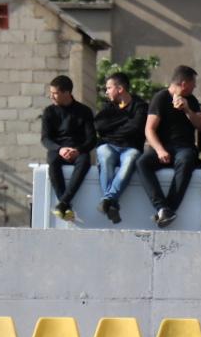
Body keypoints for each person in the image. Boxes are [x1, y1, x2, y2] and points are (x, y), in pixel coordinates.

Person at [142, 64, 201, 227]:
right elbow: (149, 129)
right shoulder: (161, 98)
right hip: (163, 146)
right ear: (184, 83)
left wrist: (187, 110)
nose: (195, 87)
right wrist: (159, 150)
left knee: (185, 161)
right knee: (142, 163)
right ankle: (161, 207)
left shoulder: (191, 100)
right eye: (193, 84)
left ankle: (169, 209)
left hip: (184, 147)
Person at [92, 72, 147, 224]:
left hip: (131, 148)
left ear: (120, 88)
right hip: (108, 145)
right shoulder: (108, 106)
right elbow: (99, 126)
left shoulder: (140, 106)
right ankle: (111, 203)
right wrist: (124, 120)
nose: (107, 92)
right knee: (105, 156)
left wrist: (112, 130)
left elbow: (136, 128)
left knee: (130, 159)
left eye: (109, 88)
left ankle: (108, 200)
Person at [40, 74, 97, 222]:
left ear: (67, 93)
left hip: (78, 150)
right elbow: (45, 138)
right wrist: (60, 149)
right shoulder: (49, 112)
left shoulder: (84, 111)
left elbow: (91, 139)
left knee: (84, 162)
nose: (51, 96)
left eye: (55, 93)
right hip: (58, 149)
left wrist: (78, 150)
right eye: (51, 92)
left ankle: (63, 203)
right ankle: (65, 205)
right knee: (52, 163)